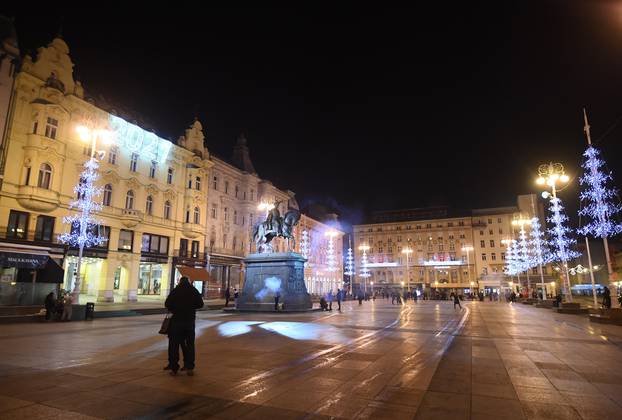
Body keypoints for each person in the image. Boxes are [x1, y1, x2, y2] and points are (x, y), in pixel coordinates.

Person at [164, 277, 204, 376]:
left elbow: (167, 304)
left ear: (180, 282)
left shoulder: (175, 291)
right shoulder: (193, 290)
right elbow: (200, 304)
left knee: (174, 345)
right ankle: (189, 366)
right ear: (189, 282)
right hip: (189, 322)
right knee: (189, 345)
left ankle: (174, 367)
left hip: (176, 322)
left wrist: (175, 308)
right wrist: (191, 307)